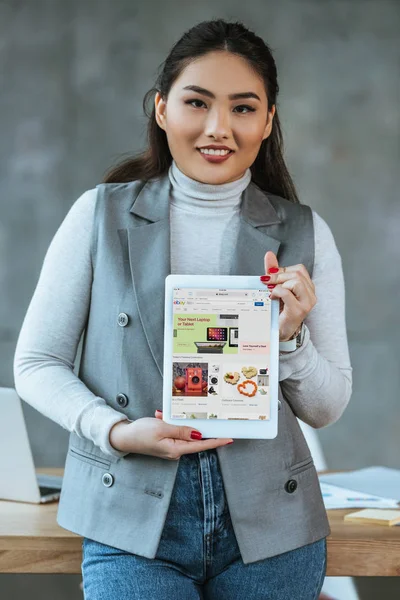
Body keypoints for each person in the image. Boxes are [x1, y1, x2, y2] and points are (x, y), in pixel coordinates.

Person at [13, 18, 352, 600]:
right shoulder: (97, 218)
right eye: (198, 102)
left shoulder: (305, 233)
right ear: (162, 109)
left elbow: (326, 407)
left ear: (268, 121)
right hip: (129, 517)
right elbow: (37, 362)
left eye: (244, 108)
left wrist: (291, 340)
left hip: (272, 528)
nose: (219, 127)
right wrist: (116, 431)